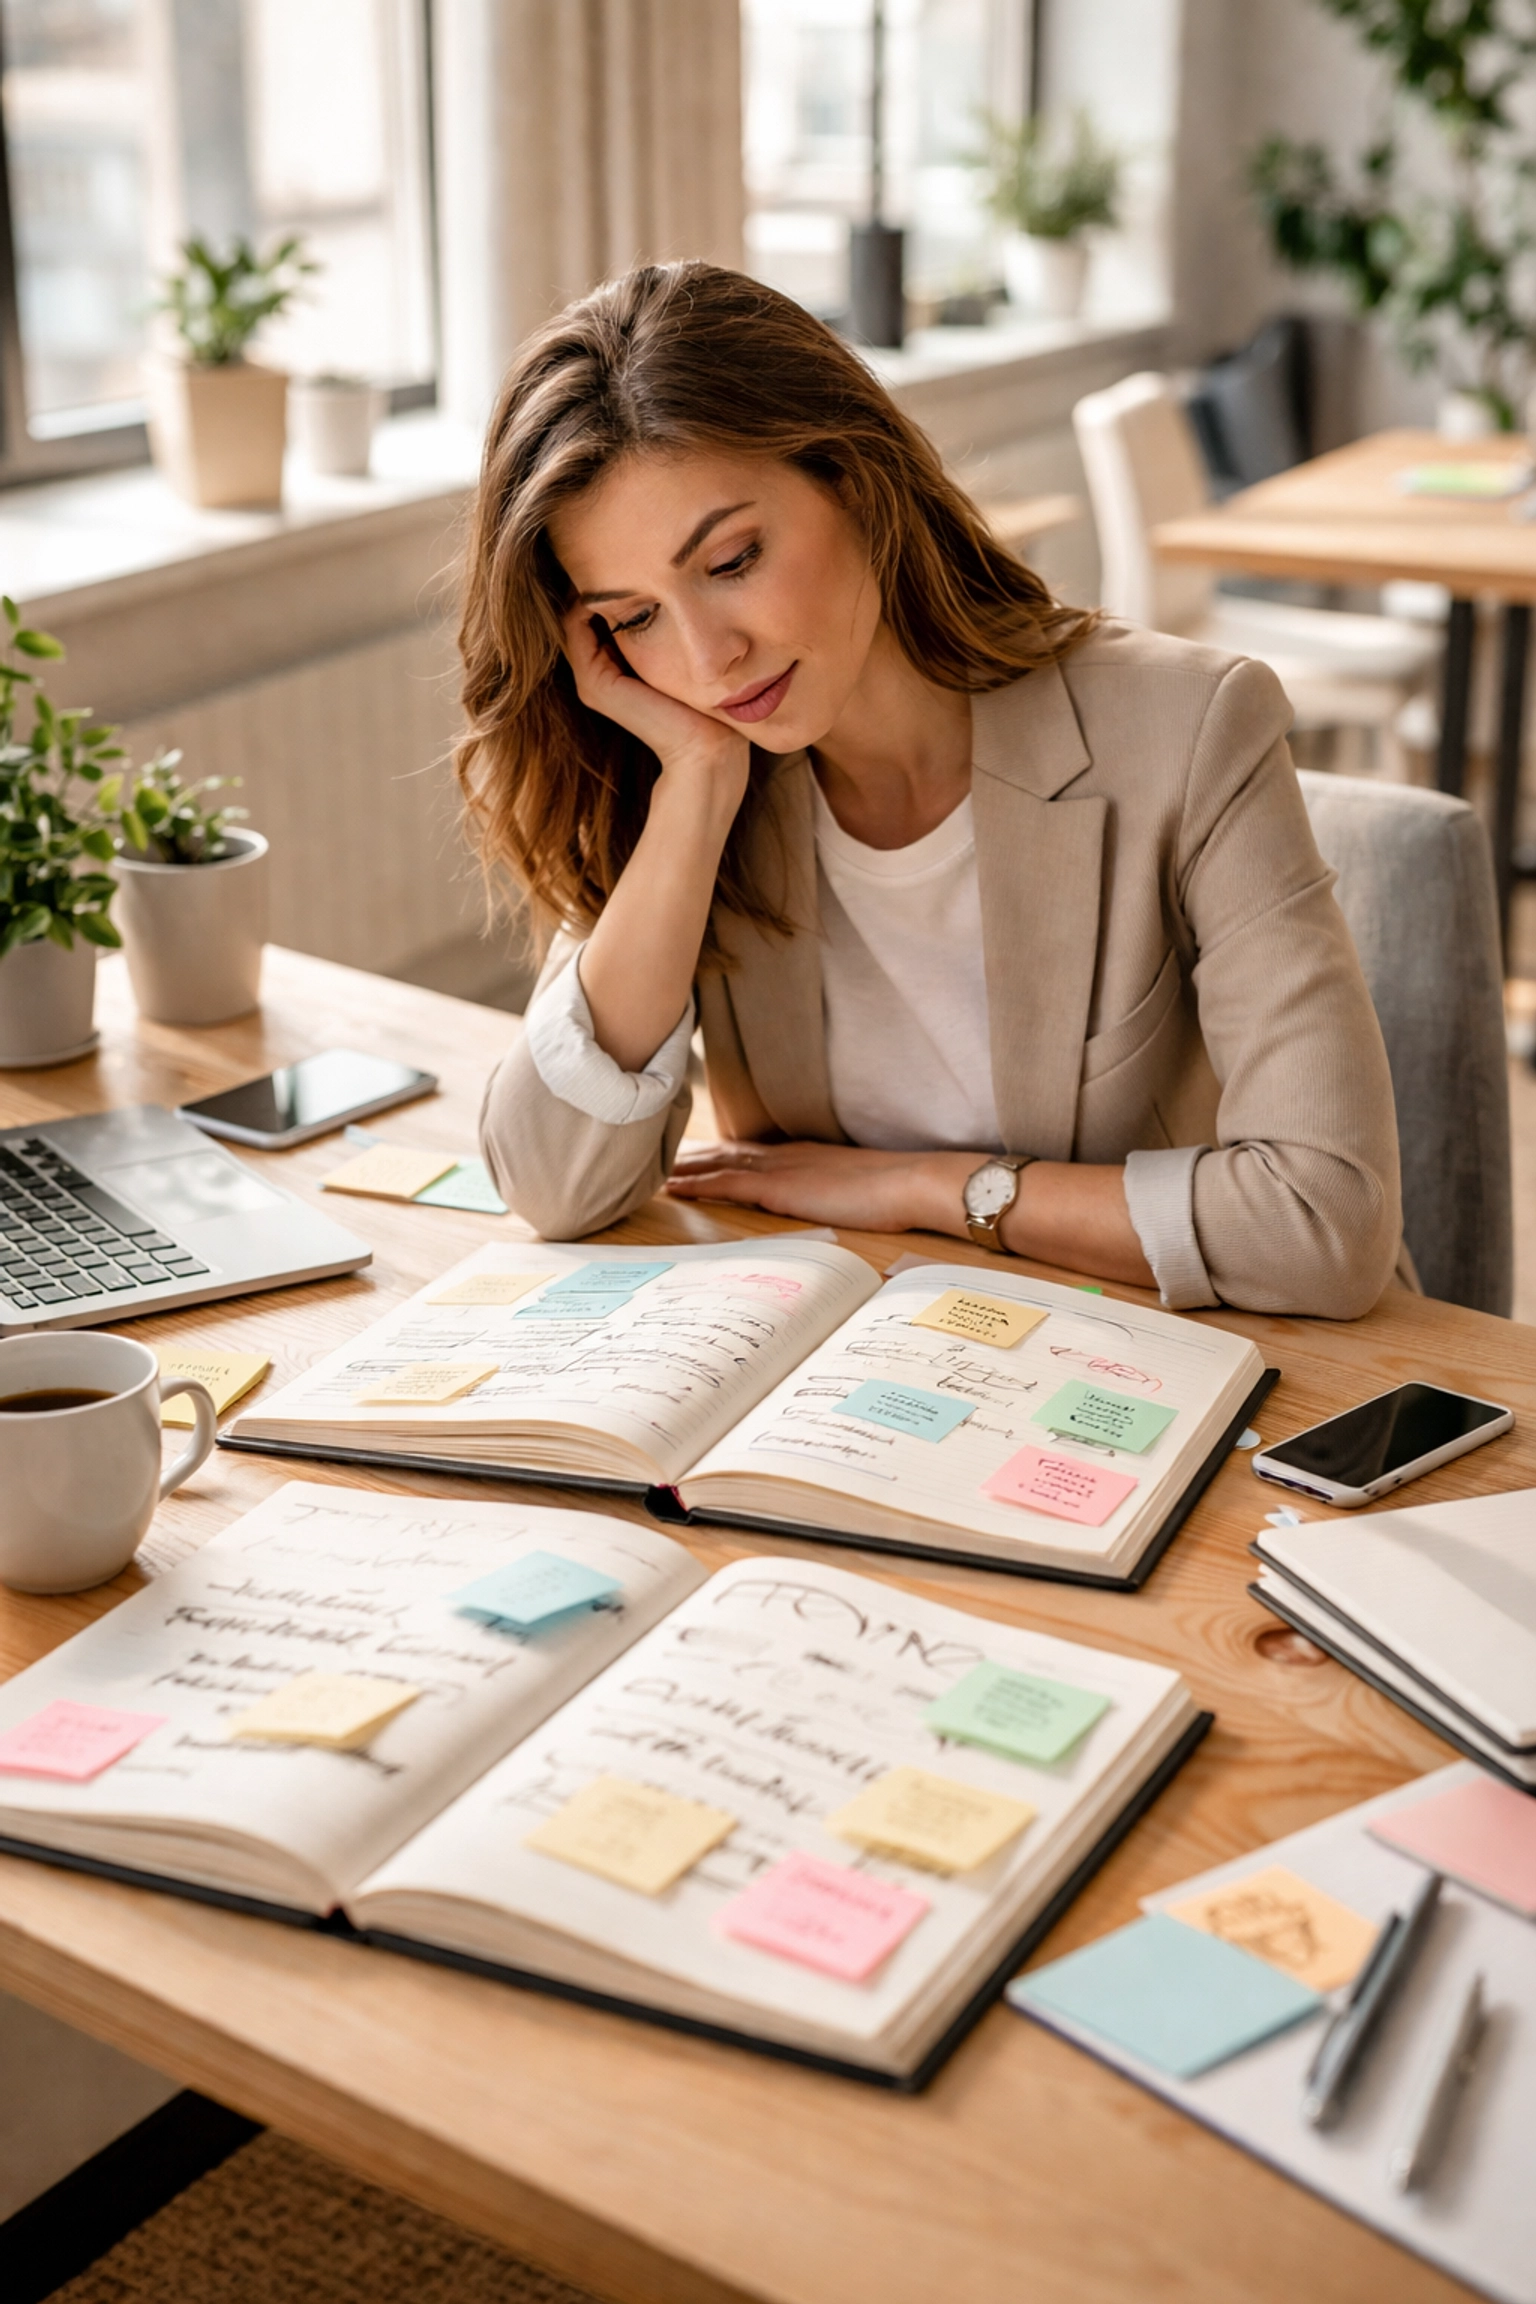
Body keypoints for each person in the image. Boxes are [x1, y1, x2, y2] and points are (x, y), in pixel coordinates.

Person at [457, 261, 1404, 1317]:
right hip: (890, 1359)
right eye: (632, 618)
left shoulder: (1187, 728)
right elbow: (552, 1188)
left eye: (730, 561)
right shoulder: (687, 763)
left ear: (854, 479)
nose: (708, 658)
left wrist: (930, 1190)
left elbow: (1325, 1223)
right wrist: (697, 785)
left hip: (1197, 1354)